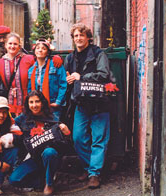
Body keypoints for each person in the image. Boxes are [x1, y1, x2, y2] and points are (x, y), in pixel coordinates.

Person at [64, 23, 113, 188]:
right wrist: (68, 76)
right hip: (81, 103)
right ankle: (89, 167)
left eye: (81, 35)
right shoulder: (70, 58)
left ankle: (94, 174)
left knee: (99, 139)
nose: (78, 38)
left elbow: (104, 75)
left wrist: (81, 76)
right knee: (78, 138)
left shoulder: (99, 54)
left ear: (88, 37)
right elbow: (67, 76)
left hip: (99, 103)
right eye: (76, 36)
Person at [8, 90, 71, 196]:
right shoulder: (23, 118)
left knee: (49, 152)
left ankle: (49, 184)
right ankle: (45, 180)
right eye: (31, 102)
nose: (34, 105)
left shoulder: (52, 117)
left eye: (37, 102)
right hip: (34, 158)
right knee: (14, 180)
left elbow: (65, 144)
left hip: (51, 156)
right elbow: (10, 122)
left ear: (42, 103)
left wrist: (67, 133)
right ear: (28, 104)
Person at [0, 33, 36, 116]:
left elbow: (43, 62)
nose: (12, 46)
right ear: (6, 45)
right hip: (8, 102)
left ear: (19, 46)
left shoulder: (29, 59)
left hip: (26, 101)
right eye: (10, 43)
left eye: (15, 44)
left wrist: (56, 58)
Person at [28, 39, 67, 121]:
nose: (40, 50)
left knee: (54, 130)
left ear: (48, 52)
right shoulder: (31, 70)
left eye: (43, 48)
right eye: (38, 48)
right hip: (37, 106)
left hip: (52, 105)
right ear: (34, 51)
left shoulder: (56, 65)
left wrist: (58, 101)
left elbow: (63, 84)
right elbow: (29, 89)